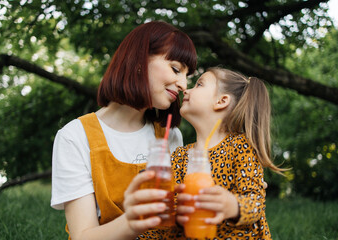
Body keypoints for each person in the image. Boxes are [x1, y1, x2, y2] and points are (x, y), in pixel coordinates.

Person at [50, 21, 197, 240]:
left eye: (187, 76)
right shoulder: (74, 137)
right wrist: (133, 221)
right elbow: (83, 236)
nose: (183, 85)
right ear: (139, 60)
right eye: (176, 69)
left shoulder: (170, 135)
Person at [170, 66, 285, 239]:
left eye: (199, 84)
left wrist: (234, 205)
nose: (186, 89)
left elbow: (255, 200)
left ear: (221, 101)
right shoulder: (179, 156)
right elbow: (172, 208)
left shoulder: (241, 146)